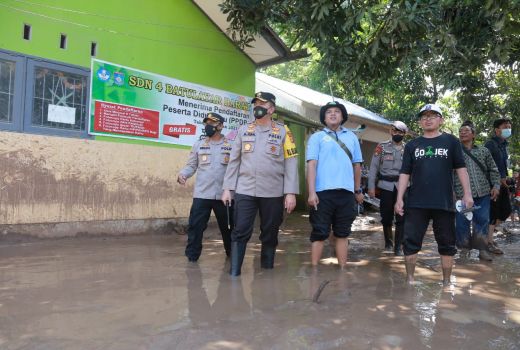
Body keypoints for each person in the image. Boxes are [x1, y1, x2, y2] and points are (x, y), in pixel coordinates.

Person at [394, 103, 473, 285]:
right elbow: (405, 173)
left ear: (441, 120)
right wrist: (399, 199)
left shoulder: (451, 141)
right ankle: (410, 279)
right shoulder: (412, 145)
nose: (428, 119)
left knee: (447, 243)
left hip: (443, 202)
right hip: (416, 202)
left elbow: (461, 168)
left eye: (432, 115)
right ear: (420, 121)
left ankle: (446, 281)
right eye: (424, 116)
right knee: (411, 241)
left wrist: (467, 194)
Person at [222, 92, 299, 276]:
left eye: (262, 104)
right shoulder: (243, 130)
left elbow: (291, 161)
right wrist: (227, 188)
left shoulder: (283, 132)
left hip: (273, 191)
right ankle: (234, 274)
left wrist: (290, 192)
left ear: (271, 109)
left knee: (270, 233)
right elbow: (234, 161)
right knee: (240, 231)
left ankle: (267, 273)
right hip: (245, 190)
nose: (257, 106)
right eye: (255, 103)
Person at [306, 101, 364, 268]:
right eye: (329, 112)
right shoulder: (317, 137)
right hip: (322, 193)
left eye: (337, 111)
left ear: (342, 116)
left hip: (346, 194)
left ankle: (342, 271)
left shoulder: (352, 137)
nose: (332, 114)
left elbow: (357, 165)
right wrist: (311, 192)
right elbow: (312, 165)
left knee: (342, 233)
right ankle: (314, 271)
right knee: (319, 233)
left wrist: (357, 190)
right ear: (324, 117)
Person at [178, 113, 233, 262]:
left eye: (212, 123)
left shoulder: (231, 145)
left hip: (224, 196)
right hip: (202, 194)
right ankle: (192, 257)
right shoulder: (199, 145)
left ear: (221, 126)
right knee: (195, 227)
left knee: (229, 229)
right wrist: (183, 174)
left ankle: (233, 255)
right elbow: (191, 165)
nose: (208, 126)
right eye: (206, 123)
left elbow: (236, 169)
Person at [454, 121, 500, 261]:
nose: (463, 133)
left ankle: (482, 250)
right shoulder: (455, 151)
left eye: (466, 130)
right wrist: (452, 192)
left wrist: (496, 186)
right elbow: (449, 173)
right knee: (462, 223)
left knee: (482, 221)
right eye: (461, 131)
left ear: (473, 134)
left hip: (483, 194)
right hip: (462, 195)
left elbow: (493, 169)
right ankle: (463, 251)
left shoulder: (483, 151)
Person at [368, 120, 408, 255]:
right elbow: (373, 167)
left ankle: (399, 247)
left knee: (402, 216)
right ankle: (389, 243)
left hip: (403, 187)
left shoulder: (408, 149)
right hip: (386, 187)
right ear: (390, 131)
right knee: (386, 216)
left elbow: (413, 170)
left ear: (404, 134)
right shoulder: (382, 147)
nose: (397, 134)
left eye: (400, 132)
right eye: (395, 131)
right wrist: (371, 187)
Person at [485, 118, 513, 254]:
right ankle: (488, 242)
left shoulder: (504, 145)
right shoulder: (490, 144)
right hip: (493, 184)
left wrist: (505, 179)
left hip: (502, 183)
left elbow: (503, 165)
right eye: (505, 127)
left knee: (505, 210)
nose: (508, 129)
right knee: (493, 212)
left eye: (509, 126)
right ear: (497, 130)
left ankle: (487, 237)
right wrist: (497, 181)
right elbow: (487, 165)